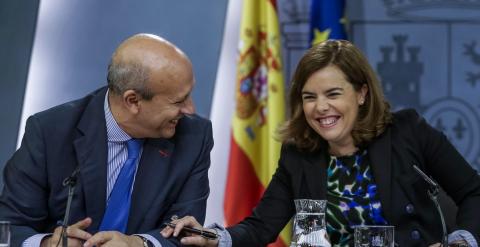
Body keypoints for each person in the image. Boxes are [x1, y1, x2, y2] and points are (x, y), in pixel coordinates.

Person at [161, 40, 480, 246]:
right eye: (309, 97)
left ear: (361, 92)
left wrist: (460, 243)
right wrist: (212, 237)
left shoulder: (408, 131)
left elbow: (473, 193)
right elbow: (260, 227)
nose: (320, 108)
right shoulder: (299, 153)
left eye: (333, 94)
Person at [0, 33, 213, 247]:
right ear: (133, 100)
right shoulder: (51, 132)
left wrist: (139, 244)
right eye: (179, 101)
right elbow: (9, 224)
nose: (190, 109)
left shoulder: (194, 137)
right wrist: (46, 243)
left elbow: (188, 232)